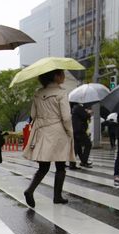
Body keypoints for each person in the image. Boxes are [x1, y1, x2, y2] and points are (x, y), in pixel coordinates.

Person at [22, 69, 75, 208]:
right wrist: (69, 132)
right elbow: (66, 117)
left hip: (41, 131)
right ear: (56, 76)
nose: (63, 76)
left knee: (43, 167)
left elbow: (33, 115)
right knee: (60, 166)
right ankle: (57, 196)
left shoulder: (38, 93)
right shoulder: (61, 93)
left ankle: (30, 190)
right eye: (62, 73)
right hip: (58, 131)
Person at [70, 102, 92, 168]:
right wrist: (89, 113)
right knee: (88, 144)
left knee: (77, 147)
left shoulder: (74, 108)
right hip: (80, 130)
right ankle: (83, 161)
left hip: (76, 130)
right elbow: (85, 116)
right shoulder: (79, 107)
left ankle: (73, 164)